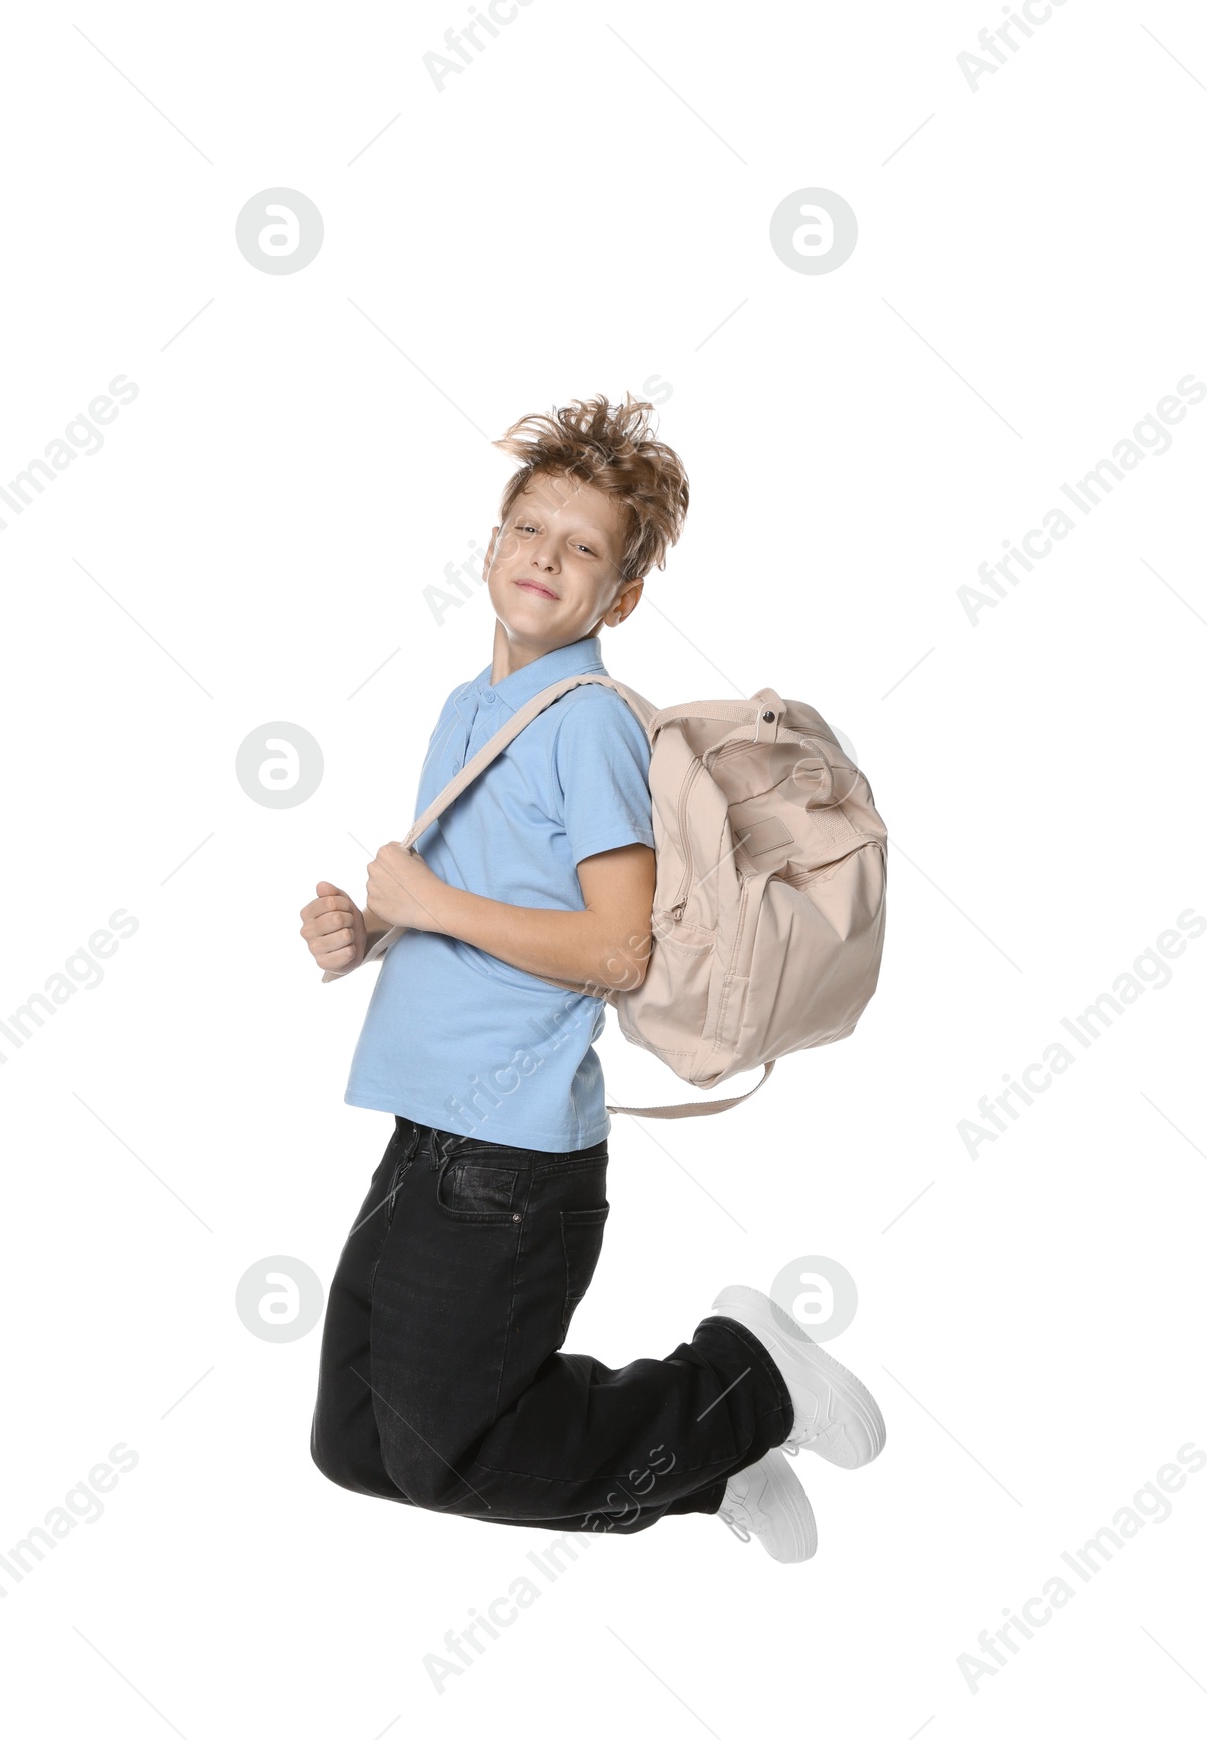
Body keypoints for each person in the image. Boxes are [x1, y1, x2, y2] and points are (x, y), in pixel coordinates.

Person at [298, 394, 884, 1561]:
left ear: (618, 596)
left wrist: (432, 904)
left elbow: (620, 948)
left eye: (583, 550)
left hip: (508, 1160)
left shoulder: (587, 727)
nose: (545, 560)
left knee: (448, 1451)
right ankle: (711, 1479)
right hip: (430, 1131)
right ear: (492, 543)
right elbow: (496, 898)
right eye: (531, 530)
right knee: (359, 1444)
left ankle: (747, 1381)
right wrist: (372, 929)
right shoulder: (474, 705)